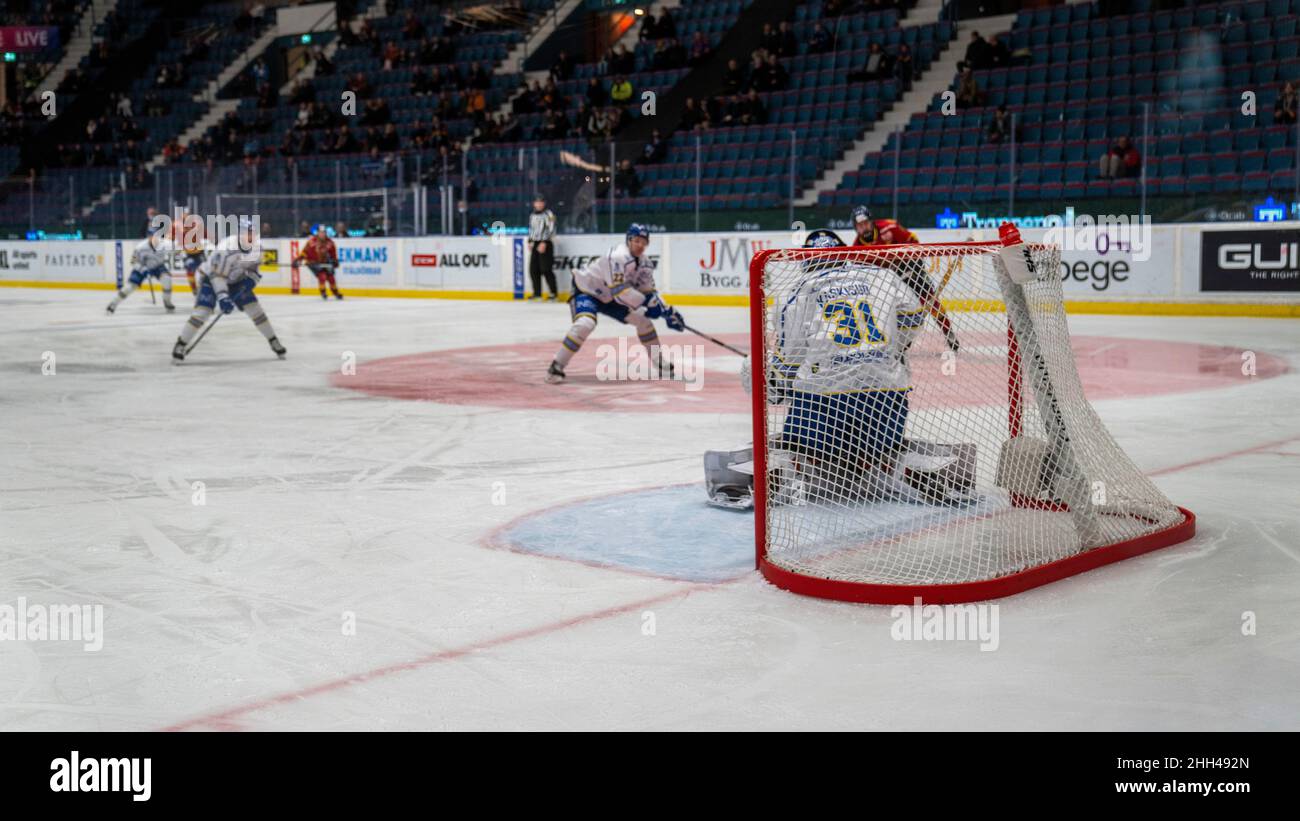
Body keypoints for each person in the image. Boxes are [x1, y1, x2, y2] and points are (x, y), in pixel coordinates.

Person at [762, 229, 936, 505]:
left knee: (797, 449)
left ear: (806, 260)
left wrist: (774, 385)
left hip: (826, 397)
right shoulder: (882, 275)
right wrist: (894, 348)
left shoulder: (798, 290)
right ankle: (895, 469)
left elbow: (790, 357)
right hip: (887, 391)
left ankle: (788, 478)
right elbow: (913, 316)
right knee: (878, 453)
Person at [545, 223, 685, 384]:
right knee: (585, 323)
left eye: (644, 242)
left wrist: (668, 310)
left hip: (610, 297)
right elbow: (621, 292)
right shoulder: (618, 256)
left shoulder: (645, 264)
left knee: (644, 323)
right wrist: (650, 306)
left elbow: (649, 292)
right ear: (629, 240)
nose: (641, 245)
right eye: (637, 241)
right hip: (587, 290)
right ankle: (556, 366)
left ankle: (659, 363)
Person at [172, 218, 286, 363]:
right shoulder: (226, 248)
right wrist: (223, 297)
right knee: (202, 312)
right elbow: (217, 276)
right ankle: (181, 344)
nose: (253, 237)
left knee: (255, 309)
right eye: (249, 233)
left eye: (254, 233)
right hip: (210, 278)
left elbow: (254, 270)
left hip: (235, 280)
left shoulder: (257, 247)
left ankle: (273, 340)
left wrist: (252, 280)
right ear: (241, 233)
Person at [850, 205, 959, 353]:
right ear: (856, 228)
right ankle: (900, 341)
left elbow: (913, 241)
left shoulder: (890, 227)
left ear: (872, 222)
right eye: (860, 226)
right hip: (884, 282)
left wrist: (912, 265)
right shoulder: (857, 248)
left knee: (930, 300)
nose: (864, 228)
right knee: (888, 311)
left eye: (865, 223)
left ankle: (948, 332)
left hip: (908, 270)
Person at [107, 229, 175, 313]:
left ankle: (167, 301)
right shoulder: (140, 247)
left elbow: (176, 247)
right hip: (142, 268)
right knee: (130, 287)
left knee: (167, 280)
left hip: (158, 266)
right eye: (152, 236)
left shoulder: (165, 244)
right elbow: (133, 261)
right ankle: (113, 303)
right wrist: (143, 270)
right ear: (148, 237)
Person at [293, 225, 342, 300]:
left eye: (324, 232)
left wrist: (334, 261)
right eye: (320, 232)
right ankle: (323, 291)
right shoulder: (312, 241)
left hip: (325, 262)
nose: (322, 234)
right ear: (318, 233)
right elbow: (304, 252)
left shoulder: (330, 243)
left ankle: (335, 291)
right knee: (322, 275)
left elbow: (333, 255)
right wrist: (298, 260)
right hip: (313, 262)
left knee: (331, 277)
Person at [527, 195, 558, 302]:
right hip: (535, 243)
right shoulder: (532, 215)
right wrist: (530, 241)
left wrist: (544, 242)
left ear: (544, 203)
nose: (539, 204)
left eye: (541, 202)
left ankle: (553, 293)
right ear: (534, 204)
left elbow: (552, 228)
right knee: (533, 270)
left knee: (546, 269)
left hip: (546, 243)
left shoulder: (549, 214)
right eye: (537, 202)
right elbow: (531, 229)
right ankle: (537, 294)